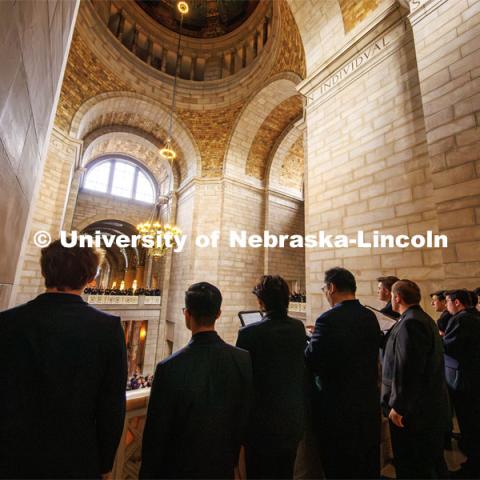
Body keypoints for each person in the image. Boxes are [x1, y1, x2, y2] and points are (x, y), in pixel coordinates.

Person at [0, 240, 127, 478]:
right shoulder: (107, 328)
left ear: (44, 270)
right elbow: (111, 405)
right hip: (76, 458)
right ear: (91, 276)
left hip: (12, 455)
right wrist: (106, 463)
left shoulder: (7, 322)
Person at [140, 282, 253, 479]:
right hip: (223, 466)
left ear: (187, 314)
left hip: (180, 469)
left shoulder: (168, 368)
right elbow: (244, 417)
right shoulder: (242, 359)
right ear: (218, 314)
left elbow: (155, 437)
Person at [305, 267, 381, 479]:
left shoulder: (327, 320)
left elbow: (313, 361)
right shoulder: (369, 316)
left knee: (340, 466)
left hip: (338, 410)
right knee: (367, 464)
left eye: (324, 288)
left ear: (331, 287)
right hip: (367, 404)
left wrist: (312, 340)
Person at [236, 275, 307, 479]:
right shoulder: (297, 327)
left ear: (261, 302)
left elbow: (242, 379)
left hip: (261, 427)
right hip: (291, 421)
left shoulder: (248, 333)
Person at [382, 280, 449, 479]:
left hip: (414, 412)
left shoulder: (410, 323)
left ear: (397, 298)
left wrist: (398, 406)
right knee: (430, 462)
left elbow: (409, 369)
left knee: (413, 464)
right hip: (424, 407)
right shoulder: (420, 318)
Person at [443, 289, 480, 478]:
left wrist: (438, 339)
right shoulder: (474, 316)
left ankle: (473, 466)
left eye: (448, 301)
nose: (446, 305)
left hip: (465, 380)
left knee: (470, 423)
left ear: (457, 302)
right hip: (473, 378)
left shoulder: (462, 319)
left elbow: (448, 345)